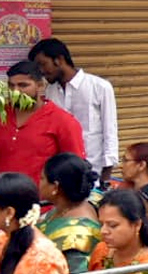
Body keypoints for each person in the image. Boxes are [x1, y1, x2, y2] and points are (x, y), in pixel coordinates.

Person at [29, 38, 119, 183]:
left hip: (93, 171)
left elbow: (110, 131)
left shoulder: (99, 87)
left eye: (43, 64)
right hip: (62, 173)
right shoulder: (50, 91)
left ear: (59, 60)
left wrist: (106, 177)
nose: (41, 71)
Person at [0, 61, 85, 183]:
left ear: (40, 86)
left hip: (40, 199)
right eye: (11, 86)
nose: (15, 92)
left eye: (23, 85)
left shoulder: (63, 121)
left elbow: (74, 168)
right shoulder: (3, 113)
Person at [38, 152, 100, 274]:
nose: (39, 183)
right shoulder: (63, 208)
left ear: (55, 187)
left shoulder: (77, 235)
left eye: (42, 178)